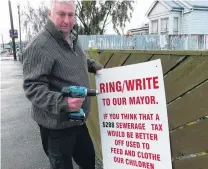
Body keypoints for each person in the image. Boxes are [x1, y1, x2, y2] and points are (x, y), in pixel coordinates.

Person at [22, 0, 103, 169]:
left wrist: (92, 65)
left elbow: (76, 58)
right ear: (50, 14)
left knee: (88, 160)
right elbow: (32, 86)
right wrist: (63, 102)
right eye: (61, 14)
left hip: (77, 119)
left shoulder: (71, 35)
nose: (67, 20)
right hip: (55, 125)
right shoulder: (40, 45)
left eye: (70, 15)